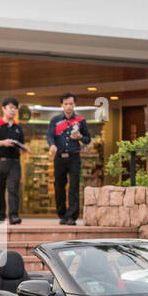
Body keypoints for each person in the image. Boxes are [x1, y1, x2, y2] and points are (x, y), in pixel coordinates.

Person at [47, 92, 91, 225]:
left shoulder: (80, 121)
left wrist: (80, 138)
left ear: (74, 104)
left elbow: (88, 139)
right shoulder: (55, 120)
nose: (68, 106)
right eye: (66, 104)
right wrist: (52, 145)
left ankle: (72, 216)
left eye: (71, 104)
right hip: (59, 157)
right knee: (59, 185)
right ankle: (62, 215)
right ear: (62, 105)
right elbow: (49, 136)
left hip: (74, 157)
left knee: (74, 186)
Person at [0, 96, 27, 224]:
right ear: (3, 109)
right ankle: (0, 215)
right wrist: (4, 142)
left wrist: (21, 147)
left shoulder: (18, 127)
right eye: (10, 108)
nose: (13, 111)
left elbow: (22, 144)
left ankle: (14, 215)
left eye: (15, 108)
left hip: (14, 162)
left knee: (13, 188)